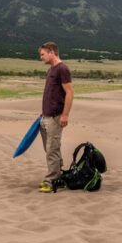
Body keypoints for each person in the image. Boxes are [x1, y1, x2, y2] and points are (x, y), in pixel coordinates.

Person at [38, 42, 74, 193]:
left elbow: (69, 93)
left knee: (52, 149)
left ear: (51, 52)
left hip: (55, 117)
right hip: (46, 116)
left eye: (42, 54)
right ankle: (59, 177)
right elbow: (51, 94)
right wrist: (44, 111)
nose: (41, 58)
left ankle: (51, 181)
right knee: (51, 148)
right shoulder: (51, 70)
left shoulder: (62, 69)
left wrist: (65, 115)